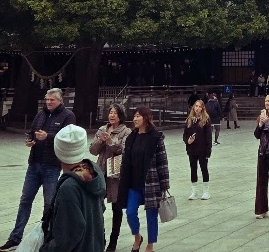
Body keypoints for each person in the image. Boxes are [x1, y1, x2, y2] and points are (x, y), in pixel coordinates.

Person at [0, 88, 76, 251]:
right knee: (25, 200)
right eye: (47, 99)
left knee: (49, 203)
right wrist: (30, 139)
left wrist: (47, 136)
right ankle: (15, 237)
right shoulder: (41, 114)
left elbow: (68, 138)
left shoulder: (68, 116)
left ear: (60, 101)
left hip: (52, 165)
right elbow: (32, 131)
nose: (48, 102)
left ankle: (48, 236)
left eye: (52, 100)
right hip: (34, 163)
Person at [40, 125, 106, 252]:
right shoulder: (94, 172)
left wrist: (46, 249)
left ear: (58, 151)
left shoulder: (69, 187)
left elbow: (66, 237)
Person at [117, 106, 170, 252]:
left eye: (138, 116)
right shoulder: (131, 138)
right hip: (133, 183)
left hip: (151, 182)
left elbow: (162, 161)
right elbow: (126, 161)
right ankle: (137, 237)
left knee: (151, 214)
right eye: (134, 116)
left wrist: (164, 184)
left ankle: (150, 245)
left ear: (146, 117)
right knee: (130, 212)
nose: (135, 119)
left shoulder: (155, 137)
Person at [181, 100, 212, 201]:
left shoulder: (206, 120)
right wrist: (188, 141)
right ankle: (194, 191)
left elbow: (208, 136)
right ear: (193, 107)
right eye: (196, 106)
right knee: (193, 169)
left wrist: (208, 150)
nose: (198, 108)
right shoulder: (189, 120)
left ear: (203, 108)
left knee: (204, 169)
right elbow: (185, 135)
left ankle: (206, 191)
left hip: (202, 149)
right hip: (192, 149)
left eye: (200, 106)